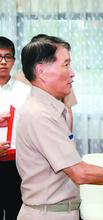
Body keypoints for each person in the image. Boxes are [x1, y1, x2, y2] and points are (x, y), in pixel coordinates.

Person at [16, 35, 103, 220]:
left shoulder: (52, 109)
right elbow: (79, 173)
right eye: (66, 65)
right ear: (42, 71)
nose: (72, 72)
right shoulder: (39, 115)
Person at [14, 34, 78, 132]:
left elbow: (68, 110)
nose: (72, 73)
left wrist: (69, 136)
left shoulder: (63, 79)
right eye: (66, 64)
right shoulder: (17, 79)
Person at [0, 36, 31, 220]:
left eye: (7, 57)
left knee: (15, 212)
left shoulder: (25, 91)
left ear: (13, 61)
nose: (3, 62)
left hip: (16, 164)